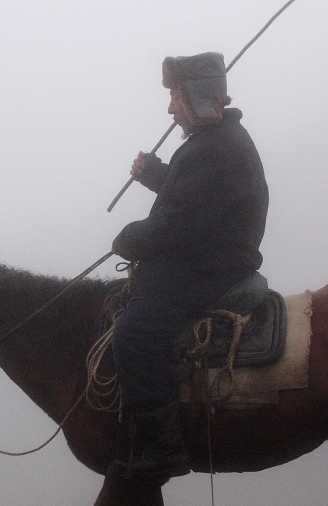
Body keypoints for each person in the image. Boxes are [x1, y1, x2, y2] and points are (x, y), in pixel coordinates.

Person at [110, 52, 269, 477]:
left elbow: (173, 228)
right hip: (212, 255)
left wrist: (126, 239)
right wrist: (156, 175)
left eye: (176, 97)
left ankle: (165, 449)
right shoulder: (217, 141)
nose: (169, 108)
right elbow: (198, 200)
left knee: (132, 334)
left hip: (211, 269)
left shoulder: (213, 148)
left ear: (195, 97)